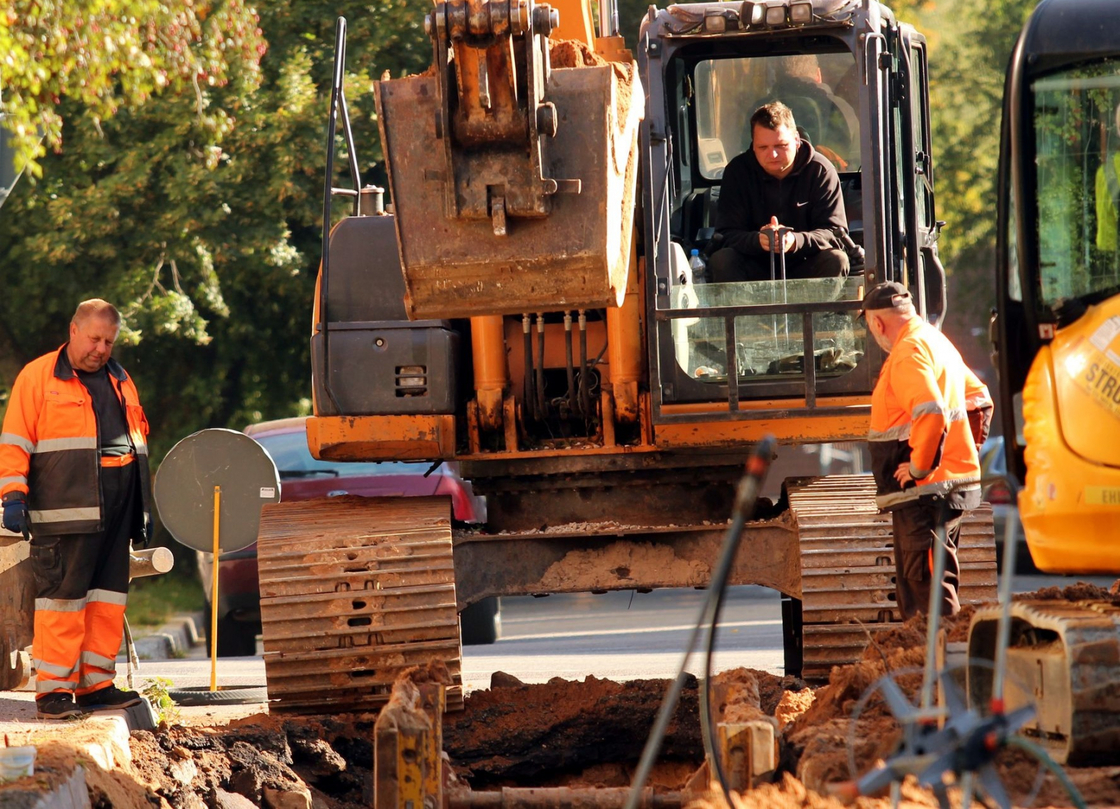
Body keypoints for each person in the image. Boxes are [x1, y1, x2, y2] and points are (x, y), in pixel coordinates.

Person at [0, 300, 152, 719]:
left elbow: (137, 443)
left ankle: (96, 686)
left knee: (107, 601)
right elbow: (14, 441)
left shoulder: (121, 380)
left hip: (117, 511)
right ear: (73, 331)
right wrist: (13, 495)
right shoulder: (38, 377)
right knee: (62, 602)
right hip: (63, 512)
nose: (101, 349)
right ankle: (54, 693)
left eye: (109, 342)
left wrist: (142, 507)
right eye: (94, 338)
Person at [861, 282, 993, 621]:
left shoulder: (908, 352)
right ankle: (935, 653)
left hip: (924, 494)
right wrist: (961, 453)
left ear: (877, 323)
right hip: (944, 488)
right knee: (933, 586)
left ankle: (940, 654)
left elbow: (931, 411)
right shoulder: (936, 341)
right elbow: (979, 399)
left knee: (927, 596)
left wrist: (920, 467)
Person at [708, 101, 850, 284]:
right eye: (763, 147)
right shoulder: (737, 172)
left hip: (807, 262)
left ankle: (817, 305)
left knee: (837, 260)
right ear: (753, 145)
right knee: (722, 260)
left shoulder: (820, 171)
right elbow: (725, 234)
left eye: (780, 145)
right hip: (754, 263)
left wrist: (795, 241)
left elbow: (835, 233)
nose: (773, 155)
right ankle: (742, 305)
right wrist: (758, 240)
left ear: (797, 140)